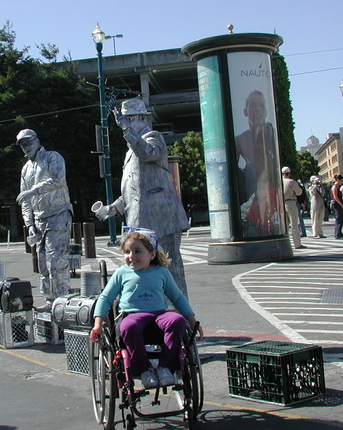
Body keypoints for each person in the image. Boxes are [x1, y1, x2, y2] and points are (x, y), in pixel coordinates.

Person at [94, 98, 190, 296]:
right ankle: (154, 310)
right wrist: (111, 209)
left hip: (163, 221)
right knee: (147, 273)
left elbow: (147, 153)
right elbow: (133, 192)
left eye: (129, 120)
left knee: (170, 270)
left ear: (141, 118)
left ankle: (179, 312)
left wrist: (126, 129)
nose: (125, 125)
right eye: (124, 121)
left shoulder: (153, 138)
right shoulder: (131, 150)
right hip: (142, 224)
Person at [90, 228, 203, 388]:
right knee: (128, 326)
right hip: (132, 315)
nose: (131, 256)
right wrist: (98, 323)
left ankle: (166, 367)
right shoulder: (122, 273)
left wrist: (192, 321)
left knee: (177, 321)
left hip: (159, 314)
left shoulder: (162, 272)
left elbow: (177, 298)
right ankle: (144, 370)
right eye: (127, 252)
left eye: (137, 251)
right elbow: (105, 298)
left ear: (152, 254)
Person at [16, 129, 72, 311]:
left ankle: (61, 301)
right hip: (39, 219)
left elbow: (58, 180)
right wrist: (29, 224)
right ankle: (50, 301)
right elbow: (24, 201)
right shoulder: (26, 169)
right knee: (43, 264)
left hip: (58, 214)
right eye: (23, 145)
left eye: (29, 143)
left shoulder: (52, 157)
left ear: (37, 141)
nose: (26, 147)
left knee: (56, 261)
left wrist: (33, 191)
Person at [234, 90, 282, 237]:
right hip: (255, 195)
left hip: (272, 194)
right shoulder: (240, 140)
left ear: (266, 111)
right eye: (253, 105)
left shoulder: (271, 134)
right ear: (245, 111)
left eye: (261, 105)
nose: (257, 109)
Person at [282, 167, 306, 249]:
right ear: (289, 173)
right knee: (294, 224)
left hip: (281, 203)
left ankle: (284, 243)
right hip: (291, 202)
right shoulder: (291, 181)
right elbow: (299, 192)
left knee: (284, 225)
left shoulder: (279, 181)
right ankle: (297, 244)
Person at [331, 174, 343, 239]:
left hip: (338, 204)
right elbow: (335, 197)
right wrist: (341, 205)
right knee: (338, 218)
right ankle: (337, 233)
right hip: (337, 204)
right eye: (341, 180)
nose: (342, 182)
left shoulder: (337, 187)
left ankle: (339, 232)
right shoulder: (335, 187)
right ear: (338, 180)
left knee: (341, 218)